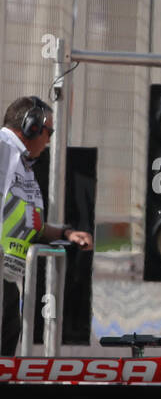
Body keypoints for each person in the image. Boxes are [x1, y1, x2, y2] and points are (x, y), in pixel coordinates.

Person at [1, 96, 94, 355]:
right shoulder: (3, 147)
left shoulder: (23, 166)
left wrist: (65, 233)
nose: (49, 140)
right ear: (31, 126)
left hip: (8, 279)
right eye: (48, 132)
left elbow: (32, 226)